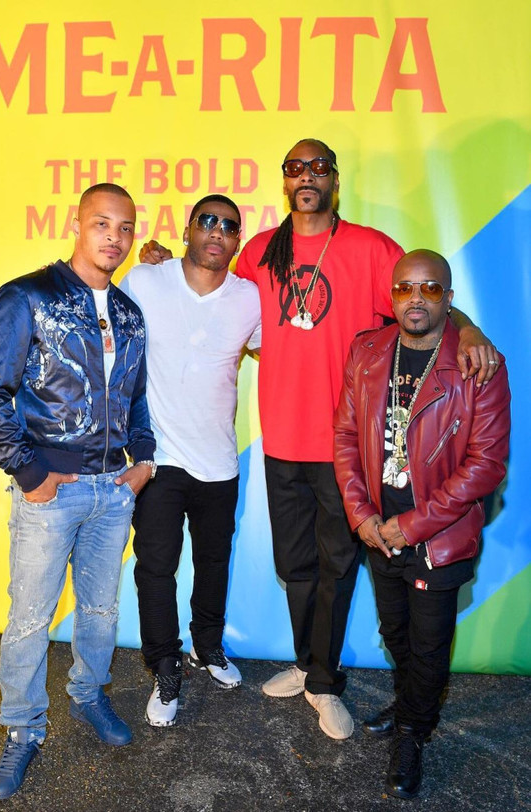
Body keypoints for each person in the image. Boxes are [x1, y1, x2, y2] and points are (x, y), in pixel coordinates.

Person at [139, 138, 499, 740]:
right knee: (296, 566)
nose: (307, 176)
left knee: (337, 568)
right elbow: (205, 284)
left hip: (346, 448)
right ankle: (309, 666)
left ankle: (326, 682)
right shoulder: (260, 250)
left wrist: (470, 331)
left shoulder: (371, 248)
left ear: (334, 179)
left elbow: (425, 298)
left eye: (319, 168)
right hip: (281, 441)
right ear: (285, 180)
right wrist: (158, 261)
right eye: (296, 168)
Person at [0, 183, 156, 800]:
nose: (114, 237)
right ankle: (22, 728)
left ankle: (88, 694)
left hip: (113, 490)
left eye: (125, 227)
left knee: (101, 610)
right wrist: (31, 474)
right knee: (30, 618)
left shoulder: (129, 314)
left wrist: (144, 459)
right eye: (102, 223)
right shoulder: (28, 295)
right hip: (51, 491)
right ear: (77, 224)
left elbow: (137, 397)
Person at [333, 249, 510, 798]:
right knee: (395, 633)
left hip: (438, 536)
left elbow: (486, 465)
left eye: (430, 289)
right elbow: (345, 437)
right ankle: (413, 701)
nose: (416, 298)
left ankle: (413, 731)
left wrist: (412, 525)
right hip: (378, 531)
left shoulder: (477, 365)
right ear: (392, 296)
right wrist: (362, 515)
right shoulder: (367, 352)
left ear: (449, 298)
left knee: (430, 645)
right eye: (405, 288)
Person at [120, 195, 261, 727]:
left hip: (219, 461)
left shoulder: (249, 298)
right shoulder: (145, 280)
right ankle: (165, 665)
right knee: (156, 568)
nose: (217, 230)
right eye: (208, 220)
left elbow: (286, 348)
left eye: (229, 225)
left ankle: (208, 645)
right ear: (187, 230)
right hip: (159, 458)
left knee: (213, 563)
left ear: (237, 241)